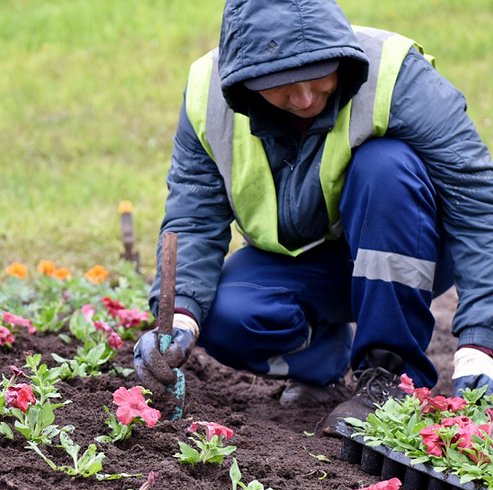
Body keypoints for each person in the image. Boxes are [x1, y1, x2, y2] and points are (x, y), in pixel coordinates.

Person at [133, 0, 493, 431]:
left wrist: (481, 339)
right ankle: (321, 366)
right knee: (227, 315)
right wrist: (179, 320)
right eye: (281, 85)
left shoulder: (394, 74)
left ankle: (389, 378)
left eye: (318, 77)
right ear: (246, 81)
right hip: (308, 265)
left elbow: (475, 199)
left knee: (386, 167)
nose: (304, 98)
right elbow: (193, 219)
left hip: (407, 248)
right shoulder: (208, 97)